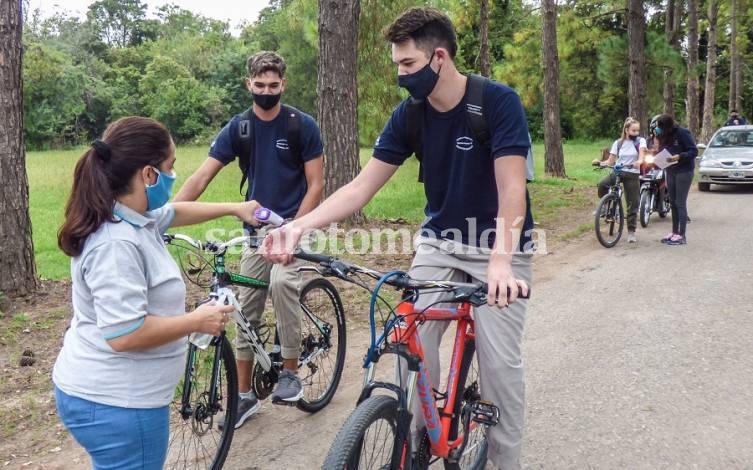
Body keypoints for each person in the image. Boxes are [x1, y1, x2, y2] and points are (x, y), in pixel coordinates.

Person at [263, 7, 532, 469]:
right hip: (439, 242)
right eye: (397, 66)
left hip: (498, 246)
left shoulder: (495, 103)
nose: (401, 75)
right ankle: (419, 439)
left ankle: (504, 462)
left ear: (439, 58)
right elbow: (360, 187)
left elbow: (512, 189)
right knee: (412, 343)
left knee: (499, 371)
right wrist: (296, 226)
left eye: (407, 65)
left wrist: (501, 262)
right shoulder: (410, 115)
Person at [52, 116, 261, 469]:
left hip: (100, 394)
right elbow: (124, 333)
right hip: (119, 405)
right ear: (148, 175)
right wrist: (197, 320)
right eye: (171, 167)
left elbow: (174, 211)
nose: (174, 175)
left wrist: (235, 207)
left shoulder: (132, 213)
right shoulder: (116, 244)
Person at [173, 51, 324, 428]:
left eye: (273, 86)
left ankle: (290, 371)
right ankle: (244, 396)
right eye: (260, 86)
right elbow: (202, 177)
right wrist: (167, 213)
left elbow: (317, 184)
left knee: (283, 282)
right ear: (249, 85)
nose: (266, 92)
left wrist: (294, 229)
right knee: (244, 304)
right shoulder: (238, 129)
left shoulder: (301, 126)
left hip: (294, 224)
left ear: (283, 85)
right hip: (256, 230)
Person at [596, 117, 646, 243]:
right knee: (602, 184)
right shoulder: (618, 143)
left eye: (637, 130)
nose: (636, 133)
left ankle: (631, 231)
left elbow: (641, 155)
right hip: (618, 171)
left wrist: (639, 162)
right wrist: (601, 163)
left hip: (632, 173)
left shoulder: (641, 141)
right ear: (626, 130)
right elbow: (611, 161)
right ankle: (605, 206)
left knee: (632, 203)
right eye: (633, 130)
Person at [653, 114, 698, 245]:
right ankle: (674, 232)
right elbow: (662, 150)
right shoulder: (663, 135)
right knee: (672, 202)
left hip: (684, 171)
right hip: (670, 170)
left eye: (661, 127)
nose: (659, 130)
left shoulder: (683, 133)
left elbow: (693, 151)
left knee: (680, 202)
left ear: (667, 126)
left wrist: (679, 156)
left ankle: (682, 235)